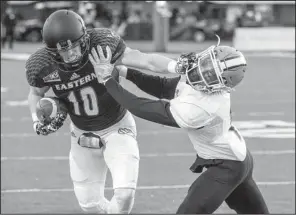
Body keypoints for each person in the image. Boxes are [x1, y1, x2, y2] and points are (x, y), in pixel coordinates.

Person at [88, 40, 270, 214]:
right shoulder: (204, 85)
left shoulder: (202, 109)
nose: (201, 70)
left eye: (208, 73)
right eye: (206, 62)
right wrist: (125, 72)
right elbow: (163, 86)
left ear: (219, 85)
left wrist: (107, 81)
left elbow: (141, 107)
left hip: (227, 166)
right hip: (239, 155)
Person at [26, 10, 178, 214]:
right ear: (53, 52)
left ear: (84, 39)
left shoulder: (102, 45)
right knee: (90, 205)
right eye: (63, 51)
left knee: (124, 194)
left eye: (74, 46)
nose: (70, 54)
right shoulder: (42, 66)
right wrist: (37, 120)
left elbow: (145, 60)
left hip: (117, 126)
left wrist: (176, 65)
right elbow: (35, 93)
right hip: (81, 134)